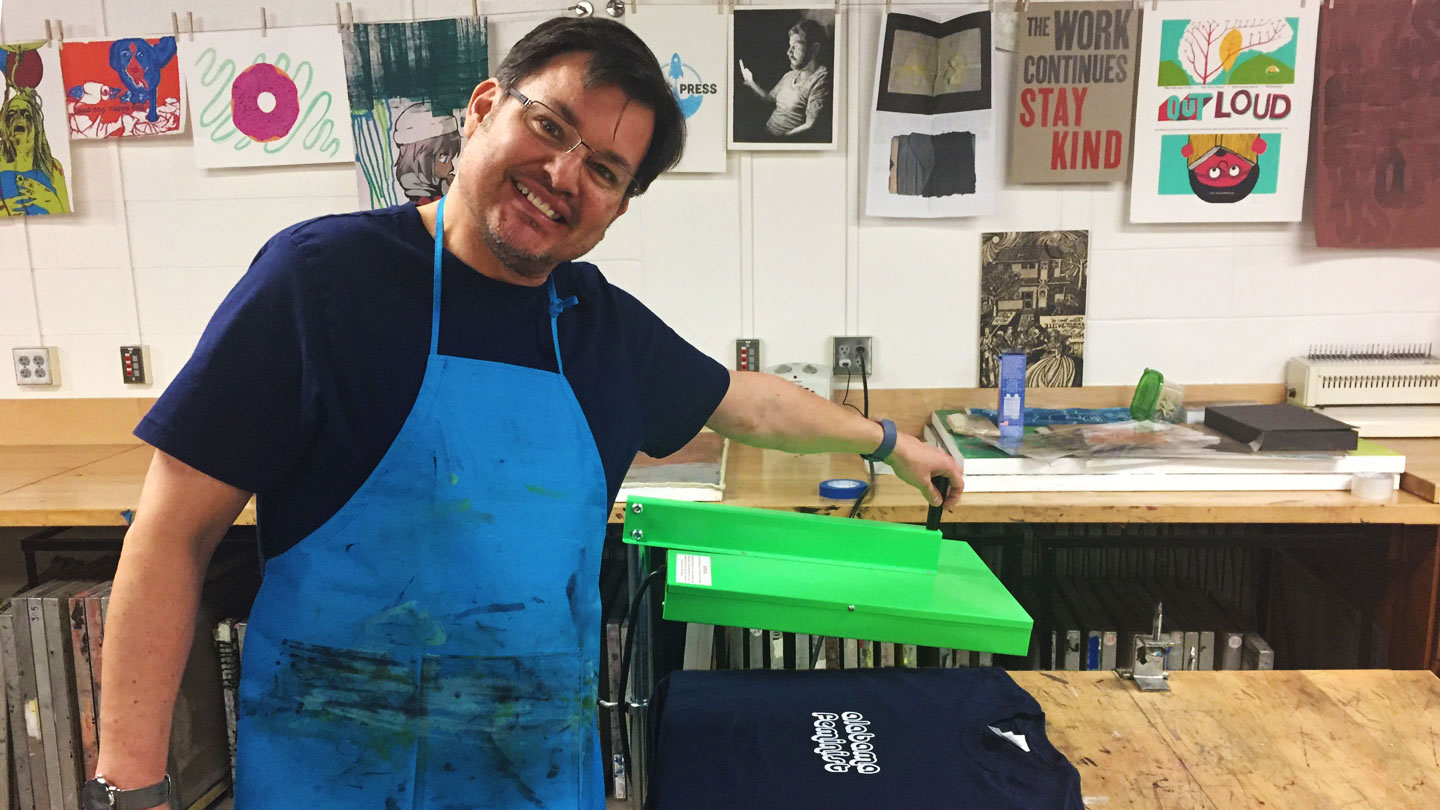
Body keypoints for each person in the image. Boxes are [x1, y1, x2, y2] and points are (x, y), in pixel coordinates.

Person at [89, 17, 961, 810]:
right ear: (481, 109)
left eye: (605, 171)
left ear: (618, 208)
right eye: (550, 127)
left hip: (533, 781)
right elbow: (172, 533)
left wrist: (888, 441)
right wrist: (130, 786)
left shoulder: (601, 328)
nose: (562, 176)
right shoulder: (319, 284)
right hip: (331, 777)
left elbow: (748, 405)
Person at [738, 19, 832, 139]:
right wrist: (751, 82)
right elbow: (769, 99)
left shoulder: (821, 80)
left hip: (783, 142)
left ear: (814, 49)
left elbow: (810, 125)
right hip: (766, 133)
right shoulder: (789, 75)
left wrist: (780, 140)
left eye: (796, 47)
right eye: (789, 46)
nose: (789, 52)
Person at [0, 90, 70, 216]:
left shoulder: (53, 167)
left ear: (36, 127)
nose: (18, 118)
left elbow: (66, 215)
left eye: (26, 115)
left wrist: (50, 201)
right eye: (11, 114)